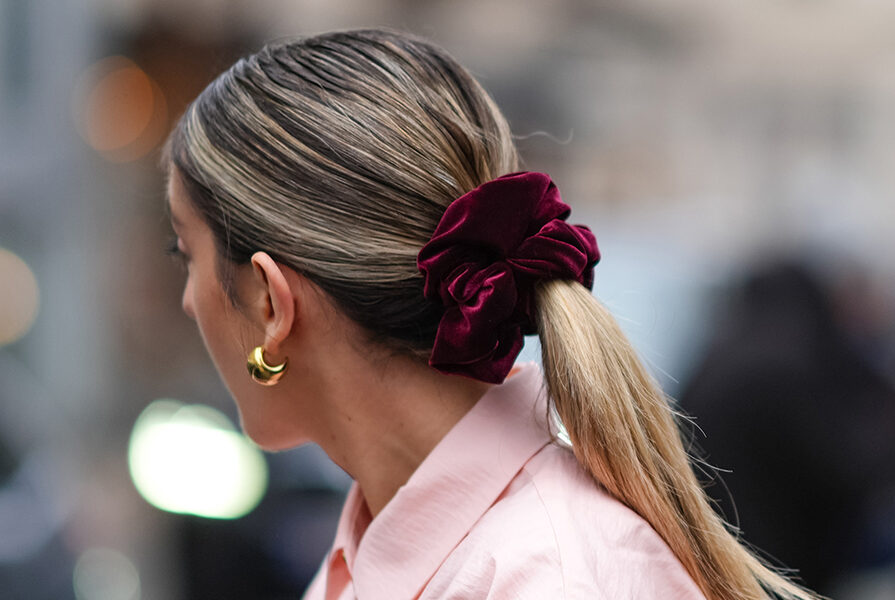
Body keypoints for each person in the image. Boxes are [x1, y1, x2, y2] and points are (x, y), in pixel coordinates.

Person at [162, 28, 821, 600]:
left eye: (184, 252)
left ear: (274, 302)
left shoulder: (553, 578)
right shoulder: (386, 537)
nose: (189, 299)